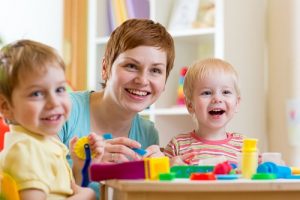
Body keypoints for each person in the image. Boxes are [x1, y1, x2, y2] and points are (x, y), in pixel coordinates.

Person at [58, 18, 175, 197]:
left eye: (156, 70)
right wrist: (83, 169)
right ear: (105, 68)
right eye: (131, 66)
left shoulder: (147, 133)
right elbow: (30, 178)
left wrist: (159, 174)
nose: (142, 80)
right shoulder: (63, 109)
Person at [0, 39, 103, 199]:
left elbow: (66, 192)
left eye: (60, 89)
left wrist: (80, 165)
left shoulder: (44, 143)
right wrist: (87, 196)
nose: (54, 102)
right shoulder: (26, 150)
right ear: (6, 107)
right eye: (37, 93)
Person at [164, 58, 245, 166]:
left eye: (225, 92)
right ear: (190, 105)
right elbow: (160, 178)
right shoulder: (177, 145)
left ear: (237, 103)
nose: (217, 99)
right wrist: (169, 166)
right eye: (206, 93)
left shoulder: (244, 147)